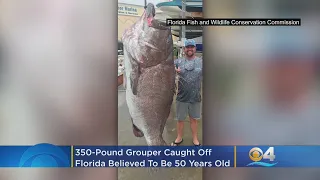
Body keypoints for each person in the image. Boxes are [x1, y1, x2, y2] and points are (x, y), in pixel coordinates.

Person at [171, 39, 202, 146]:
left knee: (194, 119)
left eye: (191, 47)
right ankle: (179, 137)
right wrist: (174, 71)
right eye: (187, 47)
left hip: (195, 97)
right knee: (180, 119)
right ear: (184, 49)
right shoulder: (177, 62)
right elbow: (164, 67)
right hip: (181, 97)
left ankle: (195, 138)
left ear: (195, 49)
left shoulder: (201, 62)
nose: (189, 49)